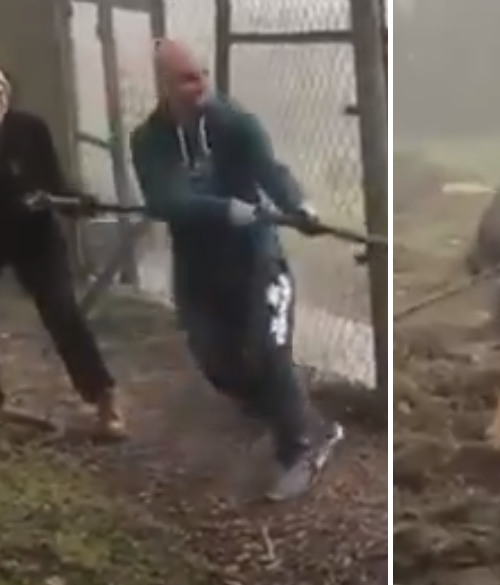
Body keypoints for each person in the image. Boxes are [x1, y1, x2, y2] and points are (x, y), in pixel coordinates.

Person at [130, 39, 344, 502]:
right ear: (164, 85)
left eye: (204, 73)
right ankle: (291, 414)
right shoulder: (148, 140)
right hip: (199, 269)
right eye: (188, 78)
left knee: (269, 350)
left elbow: (270, 171)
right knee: (218, 364)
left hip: (255, 259)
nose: (201, 85)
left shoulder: (235, 123)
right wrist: (225, 209)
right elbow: (166, 200)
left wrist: (299, 206)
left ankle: (300, 447)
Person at [0, 54, 125, 439]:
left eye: (1, 94)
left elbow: (53, 182)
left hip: (34, 235)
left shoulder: (30, 129)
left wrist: (76, 202)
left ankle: (103, 397)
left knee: (61, 309)